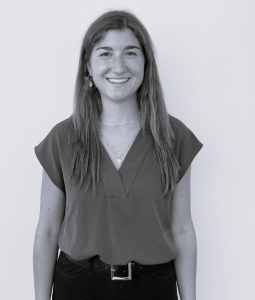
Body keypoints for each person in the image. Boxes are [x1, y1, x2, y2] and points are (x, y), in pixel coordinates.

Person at [33, 9, 203, 300]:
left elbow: (183, 229)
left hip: (154, 287)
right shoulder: (62, 139)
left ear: (146, 63)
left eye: (131, 53)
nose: (119, 66)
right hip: (78, 286)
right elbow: (47, 232)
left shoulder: (174, 137)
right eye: (105, 53)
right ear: (88, 65)